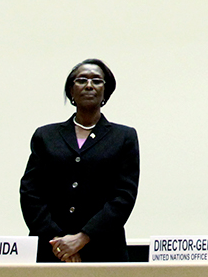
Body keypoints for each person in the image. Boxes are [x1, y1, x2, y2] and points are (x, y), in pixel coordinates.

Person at [20, 59, 140, 263]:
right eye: (82, 80)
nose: (89, 85)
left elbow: (123, 197)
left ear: (106, 92)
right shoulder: (46, 136)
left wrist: (83, 237)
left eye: (97, 81)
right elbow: (30, 193)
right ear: (71, 91)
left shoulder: (124, 137)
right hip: (50, 249)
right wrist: (58, 241)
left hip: (104, 249)